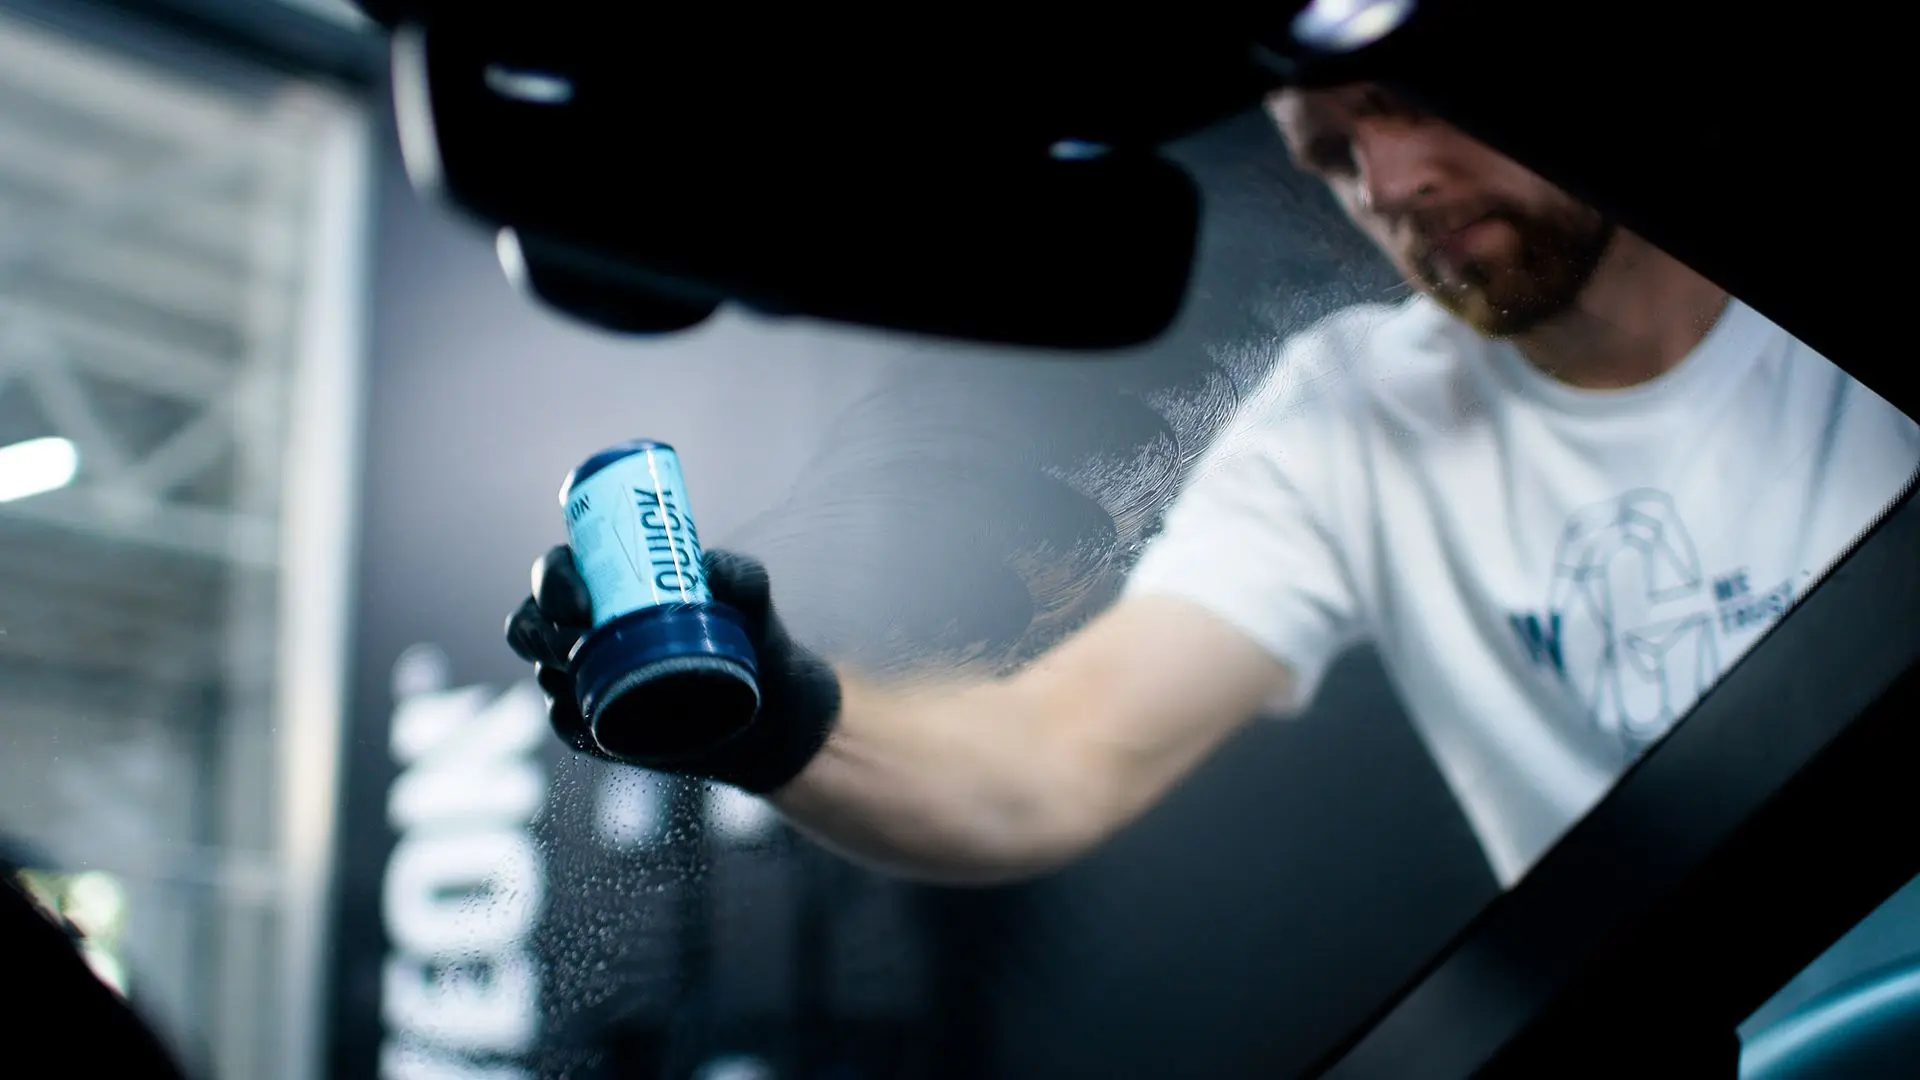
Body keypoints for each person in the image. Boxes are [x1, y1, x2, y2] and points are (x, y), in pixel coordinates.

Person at [507, 82, 1920, 889]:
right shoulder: (1353, 411)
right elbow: (1053, 763)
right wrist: (776, 717)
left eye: (1408, 106)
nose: (1389, 183)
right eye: (1336, 156)